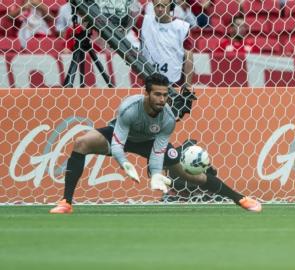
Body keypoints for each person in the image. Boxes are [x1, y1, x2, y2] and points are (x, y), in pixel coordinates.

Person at [49, 73, 262, 214]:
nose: (162, 99)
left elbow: (158, 150)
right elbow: (117, 143)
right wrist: (124, 164)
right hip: (121, 137)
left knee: (188, 174)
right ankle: (66, 203)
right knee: (81, 143)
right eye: (157, 94)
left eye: (165, 95)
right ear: (147, 94)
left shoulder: (168, 118)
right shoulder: (129, 109)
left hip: (149, 143)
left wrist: (156, 173)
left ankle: (240, 199)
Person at [140, 0, 194, 88]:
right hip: (149, 81)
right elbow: (127, 21)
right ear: (152, 5)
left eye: (164, 6)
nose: (160, 9)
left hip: (175, 83)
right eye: (157, 6)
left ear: (170, 5)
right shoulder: (144, 22)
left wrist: (187, 87)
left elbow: (189, 57)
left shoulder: (182, 27)